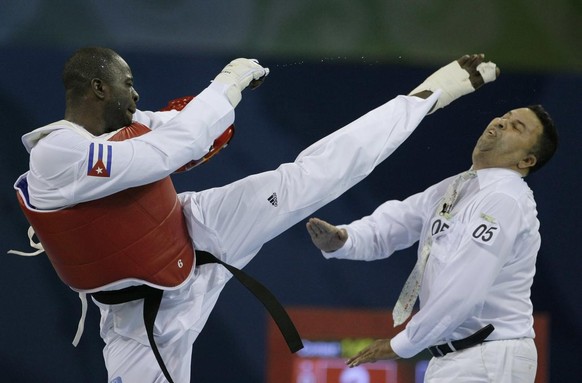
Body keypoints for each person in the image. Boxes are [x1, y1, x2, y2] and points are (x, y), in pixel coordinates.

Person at [11, 47, 497, 382]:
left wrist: (221, 104)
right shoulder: (57, 154)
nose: (137, 97)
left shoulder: (131, 124)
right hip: (141, 319)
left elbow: (185, 128)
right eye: (128, 84)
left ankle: (426, 96)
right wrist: (224, 85)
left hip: (196, 231)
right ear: (98, 88)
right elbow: (171, 150)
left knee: (311, 178)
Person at [306, 99, 558, 380]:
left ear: (526, 161)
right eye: (505, 116)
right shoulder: (459, 187)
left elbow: (464, 288)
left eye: (516, 127)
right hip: (457, 355)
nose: (500, 122)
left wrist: (402, 344)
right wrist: (345, 240)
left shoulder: (503, 199)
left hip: (487, 357)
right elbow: (399, 221)